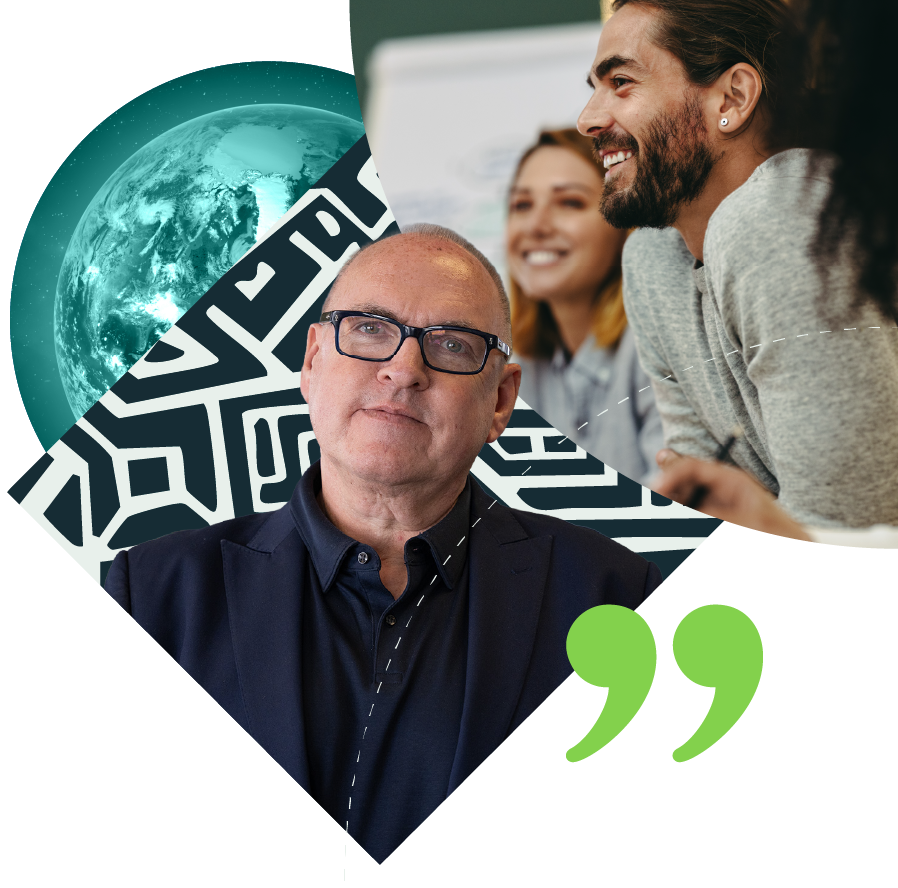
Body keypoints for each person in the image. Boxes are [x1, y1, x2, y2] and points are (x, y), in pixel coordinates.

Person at [106, 223, 662, 862]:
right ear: (313, 361)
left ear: (501, 401)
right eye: (370, 328)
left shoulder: (614, 598)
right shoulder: (149, 594)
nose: (403, 370)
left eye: (451, 344)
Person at [576, 0, 898, 531]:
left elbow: (847, 534)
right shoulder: (653, 257)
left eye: (622, 83)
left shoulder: (781, 216)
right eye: (594, 88)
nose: (588, 119)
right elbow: (704, 504)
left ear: (733, 98)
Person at [507, 128, 663, 484]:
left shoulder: (657, 344)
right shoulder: (519, 368)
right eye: (522, 205)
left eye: (570, 203)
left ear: (625, 223)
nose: (536, 226)